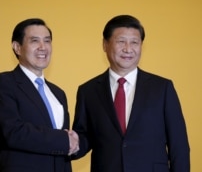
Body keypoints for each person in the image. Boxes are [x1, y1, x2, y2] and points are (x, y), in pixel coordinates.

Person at [72, 15, 190, 172]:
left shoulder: (162, 88)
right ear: (105, 44)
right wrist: (70, 143)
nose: (128, 49)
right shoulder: (88, 91)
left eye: (134, 42)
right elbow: (84, 137)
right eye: (121, 41)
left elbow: (179, 145)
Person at [0, 18, 79, 172]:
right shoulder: (2, 83)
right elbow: (13, 132)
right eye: (35, 41)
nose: (43, 47)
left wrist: (74, 144)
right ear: (17, 47)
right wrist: (65, 140)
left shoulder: (58, 93)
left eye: (47, 41)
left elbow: (63, 144)